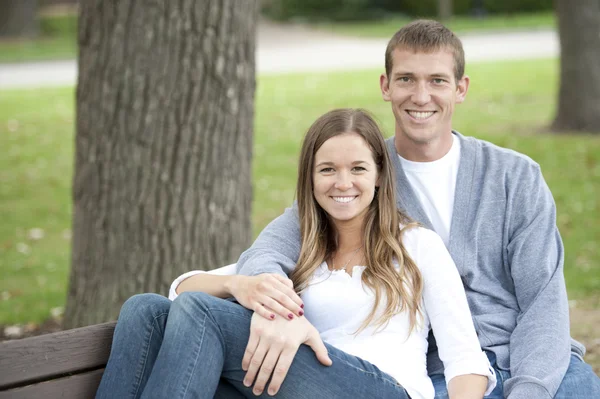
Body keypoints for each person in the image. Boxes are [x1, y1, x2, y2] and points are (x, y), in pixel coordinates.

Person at [229, 19, 600, 399]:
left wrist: (532, 389)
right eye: (406, 79)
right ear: (386, 87)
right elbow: (265, 253)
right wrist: (278, 310)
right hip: (438, 373)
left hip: (530, 360)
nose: (421, 96)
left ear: (461, 88)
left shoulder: (514, 177)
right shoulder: (359, 176)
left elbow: (544, 301)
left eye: (437, 80)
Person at [96, 108, 496, 399]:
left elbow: (466, 359)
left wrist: (282, 315)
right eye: (327, 170)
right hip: (302, 385)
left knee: (202, 314)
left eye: (357, 168)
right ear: (310, 177)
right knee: (144, 310)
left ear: (378, 174)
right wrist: (242, 285)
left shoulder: (416, 245)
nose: (343, 183)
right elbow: (179, 290)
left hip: (384, 388)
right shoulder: (302, 250)